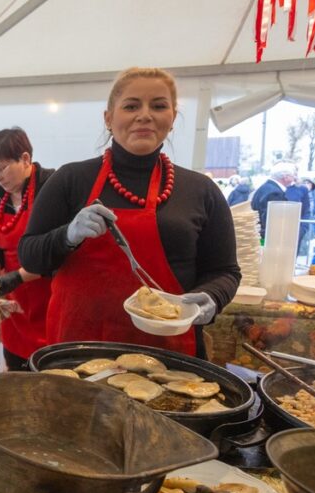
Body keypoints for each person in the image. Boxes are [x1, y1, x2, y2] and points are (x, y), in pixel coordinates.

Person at [18, 67, 240, 358]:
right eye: (131, 105)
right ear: (109, 118)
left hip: (167, 353)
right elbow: (30, 256)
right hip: (78, 349)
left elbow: (224, 271)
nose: (145, 115)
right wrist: (68, 235)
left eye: (158, 106)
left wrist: (210, 299)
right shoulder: (70, 179)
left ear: (172, 118)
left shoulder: (201, 190)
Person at [0, 127, 54, 370]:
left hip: (50, 293)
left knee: (48, 369)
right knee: (16, 365)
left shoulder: (51, 186)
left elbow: (59, 250)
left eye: (2, 168)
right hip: (13, 298)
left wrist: (18, 277)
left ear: (25, 159)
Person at [251, 162, 296, 240]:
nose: (294, 178)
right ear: (285, 177)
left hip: (258, 234)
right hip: (267, 238)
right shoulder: (275, 193)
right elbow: (272, 220)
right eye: (293, 175)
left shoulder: (265, 187)